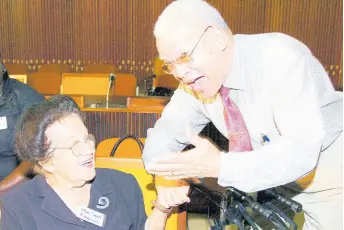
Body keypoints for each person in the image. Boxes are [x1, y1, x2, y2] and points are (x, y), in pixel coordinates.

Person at [142, 0, 343, 229]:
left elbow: (301, 153)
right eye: (169, 65)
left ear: (217, 38)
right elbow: (162, 137)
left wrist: (221, 166)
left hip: (326, 172)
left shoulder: (280, 59)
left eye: (184, 57)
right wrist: (166, 176)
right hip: (265, 178)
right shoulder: (195, 83)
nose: (179, 73)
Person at [0, 95, 189, 230]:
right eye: (74, 145)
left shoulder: (123, 184)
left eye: (87, 138)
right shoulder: (18, 205)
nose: (89, 150)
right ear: (47, 162)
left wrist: (162, 209)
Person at [0, 58, 45, 192]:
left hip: (16, 186)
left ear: (3, 68)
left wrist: (2, 188)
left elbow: (36, 157)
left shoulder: (26, 98)